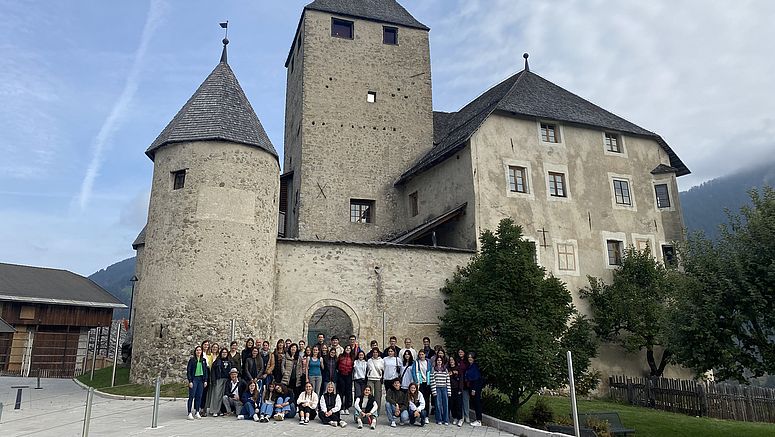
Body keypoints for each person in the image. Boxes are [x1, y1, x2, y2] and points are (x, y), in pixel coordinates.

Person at [186, 345, 208, 420]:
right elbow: (189, 371)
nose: (199, 352)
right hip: (194, 379)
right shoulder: (192, 360)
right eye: (197, 350)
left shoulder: (203, 360)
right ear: (195, 352)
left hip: (201, 379)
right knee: (192, 396)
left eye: (200, 350)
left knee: (199, 396)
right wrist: (190, 381)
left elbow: (205, 371)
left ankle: (197, 411)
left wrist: (205, 380)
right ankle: (189, 412)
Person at [411, 349, 432, 423]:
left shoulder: (428, 362)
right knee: (419, 399)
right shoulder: (416, 363)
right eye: (420, 354)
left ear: (425, 355)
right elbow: (413, 372)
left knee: (426, 399)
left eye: (422, 354)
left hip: (427, 382)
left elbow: (430, 371)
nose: (421, 356)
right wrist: (416, 381)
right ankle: (419, 414)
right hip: (420, 383)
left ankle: (426, 416)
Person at [208, 348, 231, 416]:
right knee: (217, 395)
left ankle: (221, 410)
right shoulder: (217, 361)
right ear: (221, 353)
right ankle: (214, 410)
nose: (224, 354)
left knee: (224, 395)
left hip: (226, 380)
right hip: (219, 379)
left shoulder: (229, 361)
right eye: (223, 352)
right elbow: (213, 371)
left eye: (225, 352)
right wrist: (213, 380)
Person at [465, 352, 483, 427]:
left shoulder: (475, 367)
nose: (470, 358)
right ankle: (477, 419)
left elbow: (476, 379)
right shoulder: (470, 366)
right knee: (475, 404)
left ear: (474, 358)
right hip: (471, 386)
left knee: (477, 403)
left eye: (471, 357)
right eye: (468, 357)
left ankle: (479, 420)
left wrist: (474, 390)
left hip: (475, 388)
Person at [431, 355, 451, 425]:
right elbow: (432, 380)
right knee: (438, 404)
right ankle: (439, 419)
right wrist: (434, 391)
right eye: (438, 360)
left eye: (440, 360)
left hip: (444, 388)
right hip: (437, 388)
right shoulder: (434, 369)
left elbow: (448, 380)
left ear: (442, 362)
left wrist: (449, 391)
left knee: (445, 404)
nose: (439, 362)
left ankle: (445, 420)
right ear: (436, 362)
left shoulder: (445, 370)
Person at [337, 344, 355, 413]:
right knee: (341, 391)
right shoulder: (341, 356)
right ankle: (341, 407)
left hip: (348, 375)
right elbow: (337, 364)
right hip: (341, 375)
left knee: (348, 392)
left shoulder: (352, 357)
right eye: (346, 348)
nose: (348, 349)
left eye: (349, 348)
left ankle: (346, 407)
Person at [448, 357, 463, 426]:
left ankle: (460, 418)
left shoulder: (458, 368)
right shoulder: (447, 369)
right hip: (450, 388)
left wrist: (460, 389)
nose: (451, 361)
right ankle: (455, 417)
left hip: (457, 389)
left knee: (458, 404)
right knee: (452, 403)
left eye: (452, 360)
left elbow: (460, 379)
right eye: (450, 360)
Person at [456, 349, 470, 424]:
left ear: (464, 353)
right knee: (459, 401)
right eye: (459, 352)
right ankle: (461, 416)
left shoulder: (466, 361)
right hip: (458, 383)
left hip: (464, 383)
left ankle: (467, 415)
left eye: (461, 352)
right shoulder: (457, 361)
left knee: (465, 400)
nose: (460, 353)